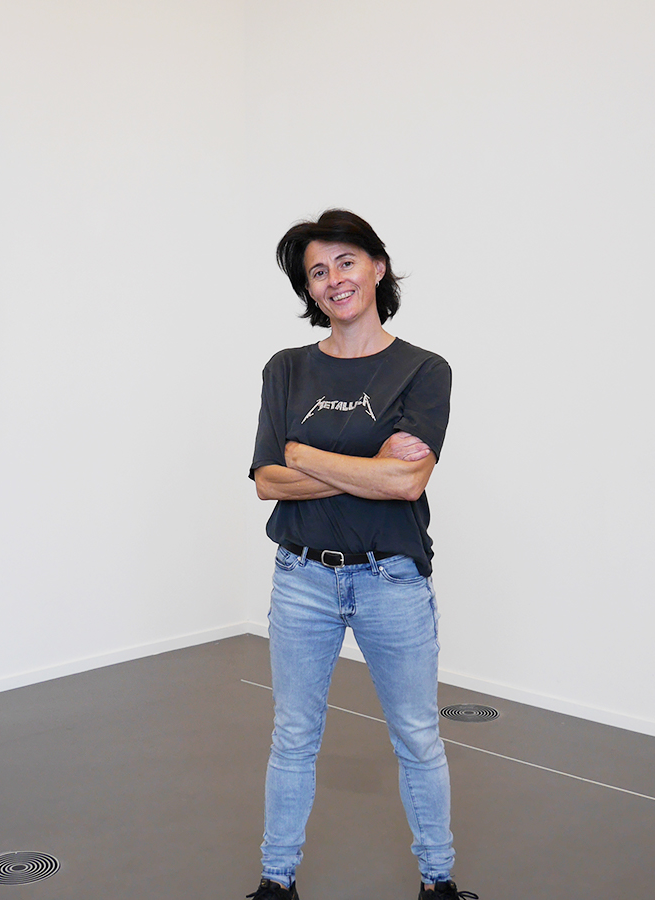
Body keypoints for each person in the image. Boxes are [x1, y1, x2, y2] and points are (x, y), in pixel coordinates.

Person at [246, 210, 476, 900]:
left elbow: (406, 482)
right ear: (310, 291)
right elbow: (266, 481)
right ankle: (276, 882)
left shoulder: (423, 370)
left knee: (417, 736)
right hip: (301, 577)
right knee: (292, 736)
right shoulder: (286, 369)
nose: (334, 280)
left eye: (345, 262)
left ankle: (438, 881)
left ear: (377, 267)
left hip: (391, 580)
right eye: (317, 272)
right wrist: (367, 463)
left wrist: (305, 453)